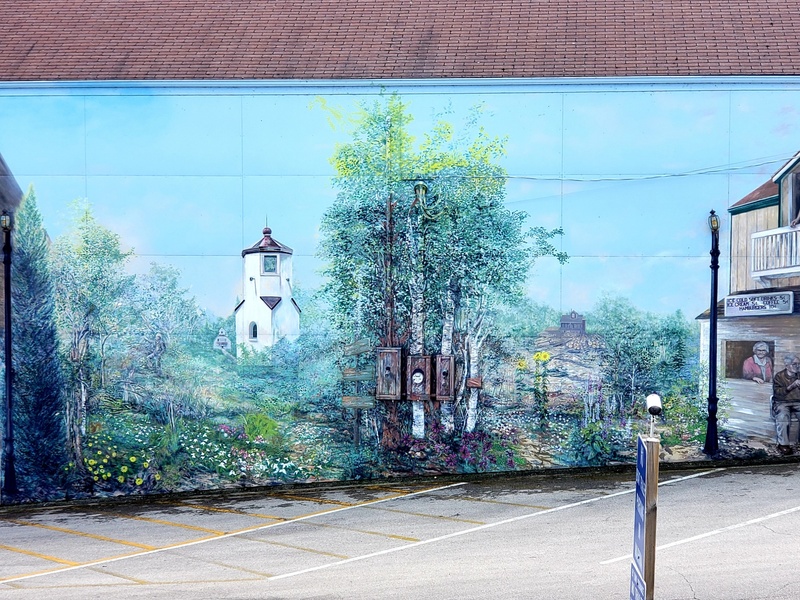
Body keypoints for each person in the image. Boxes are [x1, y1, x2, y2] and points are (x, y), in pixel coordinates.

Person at [772, 354, 800, 455]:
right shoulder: (779, 376)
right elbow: (778, 393)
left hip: (798, 402)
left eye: (798, 364)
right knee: (782, 417)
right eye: (794, 364)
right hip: (782, 402)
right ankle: (783, 445)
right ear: (787, 365)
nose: (797, 366)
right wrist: (792, 386)